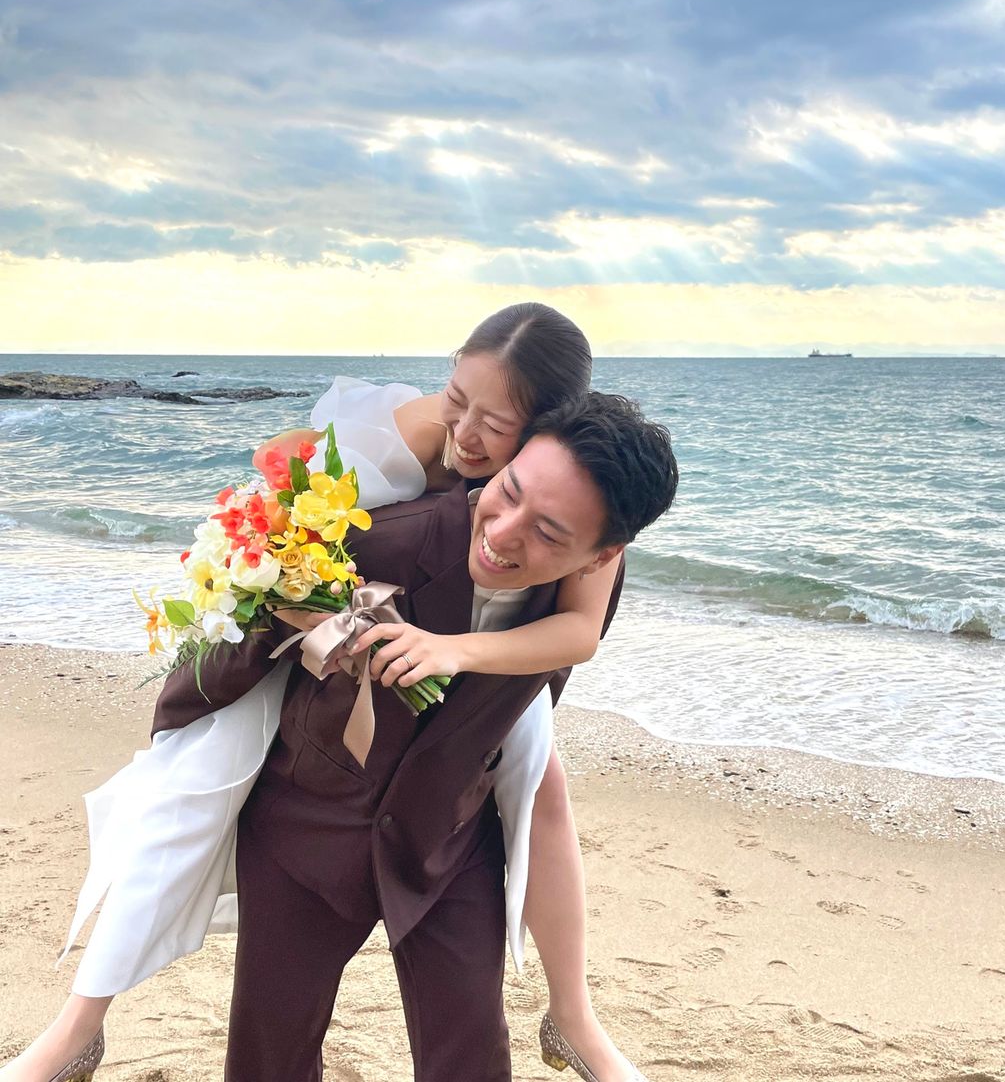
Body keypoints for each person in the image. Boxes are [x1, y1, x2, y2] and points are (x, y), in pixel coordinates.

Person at [0, 306, 660, 1082]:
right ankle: (79, 1023)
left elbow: (578, 627)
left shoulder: (582, 534)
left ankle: (574, 1016)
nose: (467, 434)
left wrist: (455, 647)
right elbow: (279, 494)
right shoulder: (406, 470)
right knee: (186, 796)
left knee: (539, 785)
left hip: (448, 817)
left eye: (496, 426)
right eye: (459, 402)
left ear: (549, 431)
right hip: (310, 799)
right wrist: (311, 602)